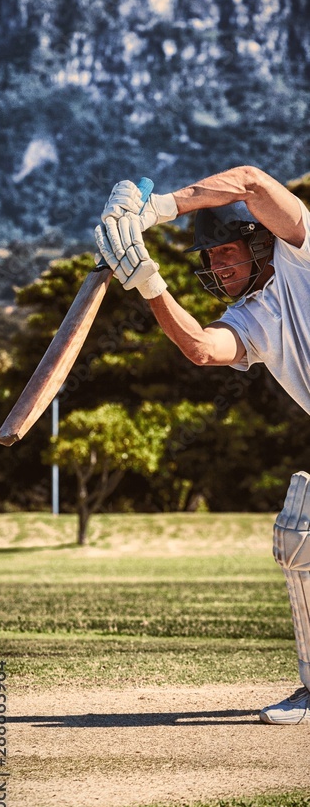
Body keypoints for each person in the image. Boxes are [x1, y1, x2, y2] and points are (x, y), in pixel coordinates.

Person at [94, 164, 310, 724]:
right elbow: (201, 348)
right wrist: (148, 281)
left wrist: (159, 208)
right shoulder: (252, 315)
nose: (216, 265)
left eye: (225, 252)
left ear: (259, 240)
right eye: (208, 258)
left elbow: (253, 182)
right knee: (300, 531)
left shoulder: (300, 252)